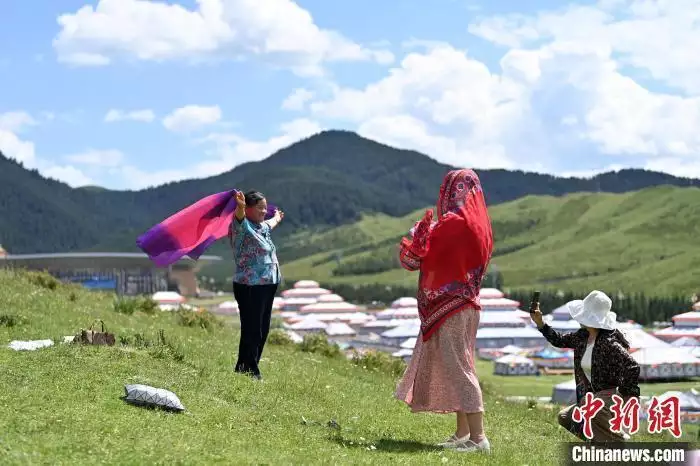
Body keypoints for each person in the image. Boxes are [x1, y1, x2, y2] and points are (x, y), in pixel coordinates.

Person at [394, 169, 494, 454]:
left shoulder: (451, 224)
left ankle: (478, 438)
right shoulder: (481, 225)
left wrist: (420, 230)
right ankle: (463, 434)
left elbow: (412, 258)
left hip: (449, 307)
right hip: (469, 304)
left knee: (460, 369)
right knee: (462, 365)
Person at [530, 290, 640, 442]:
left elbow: (632, 366)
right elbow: (559, 340)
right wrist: (540, 323)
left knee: (593, 412)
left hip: (611, 396)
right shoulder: (582, 336)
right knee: (565, 417)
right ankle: (601, 443)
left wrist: (626, 395)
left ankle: (620, 446)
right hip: (591, 396)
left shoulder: (608, 342)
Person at [229, 190, 284, 381]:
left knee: (263, 329)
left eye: (265, 208)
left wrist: (276, 216)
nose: (264, 211)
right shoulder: (241, 227)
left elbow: (271, 222)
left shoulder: (263, 227)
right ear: (249, 209)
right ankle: (251, 371)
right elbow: (239, 217)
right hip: (250, 285)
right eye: (260, 208)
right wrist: (240, 207)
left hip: (268, 285)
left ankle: (244, 367)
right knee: (252, 329)